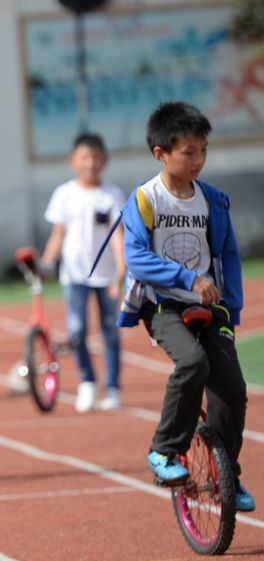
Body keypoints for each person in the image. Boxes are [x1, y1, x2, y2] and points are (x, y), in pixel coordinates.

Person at [116, 101, 253, 513]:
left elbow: (227, 253)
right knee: (192, 363)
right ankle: (164, 450)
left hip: (211, 307)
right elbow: (136, 257)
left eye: (203, 151)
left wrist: (233, 307)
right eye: (188, 152)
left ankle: (228, 471)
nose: (198, 160)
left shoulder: (212, 200)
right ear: (161, 153)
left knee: (232, 391)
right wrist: (187, 279)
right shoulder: (145, 199)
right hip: (163, 306)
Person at [40, 133, 125, 412]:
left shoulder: (111, 194)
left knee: (110, 332)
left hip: (106, 276)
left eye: (96, 158)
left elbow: (117, 235)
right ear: (73, 161)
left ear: (105, 161)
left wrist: (121, 270)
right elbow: (58, 234)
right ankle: (87, 382)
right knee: (76, 330)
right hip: (74, 275)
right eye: (85, 158)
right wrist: (47, 262)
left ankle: (112, 388)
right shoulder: (64, 194)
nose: (91, 164)